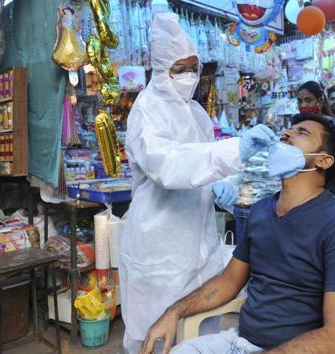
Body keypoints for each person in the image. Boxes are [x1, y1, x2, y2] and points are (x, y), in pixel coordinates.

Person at [141, 113, 335, 354]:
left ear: (323, 160)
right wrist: (174, 312)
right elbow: (228, 282)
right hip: (238, 341)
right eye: (289, 129)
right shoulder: (261, 210)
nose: (287, 134)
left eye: (302, 133)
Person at [120, 1, 277, 353]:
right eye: (181, 69)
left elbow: (202, 166)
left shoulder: (196, 113)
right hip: (158, 243)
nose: (190, 75)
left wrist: (223, 185)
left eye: (194, 68)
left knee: (198, 328)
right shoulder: (147, 110)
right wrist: (233, 151)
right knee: (153, 331)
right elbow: (166, 164)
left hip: (198, 236)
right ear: (161, 70)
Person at [297, 81, 335, 212]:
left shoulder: (331, 124)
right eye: (300, 101)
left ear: (319, 101)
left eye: (308, 100)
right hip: (305, 187)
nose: (303, 105)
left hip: (330, 186)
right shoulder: (298, 125)